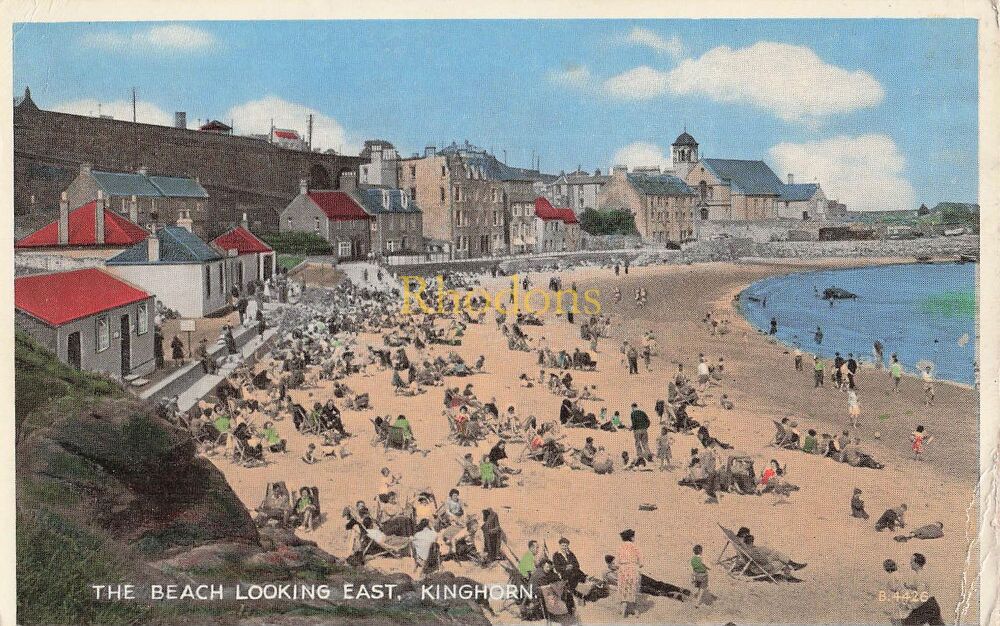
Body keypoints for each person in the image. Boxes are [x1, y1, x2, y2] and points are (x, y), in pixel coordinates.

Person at [899, 553, 944, 625]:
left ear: (917, 563)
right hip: (933, 605)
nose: (910, 563)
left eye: (911, 562)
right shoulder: (922, 574)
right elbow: (920, 586)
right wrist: (908, 586)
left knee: (908, 623)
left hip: (927, 607)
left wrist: (911, 606)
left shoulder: (919, 577)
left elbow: (922, 597)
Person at [552, 537, 586, 603]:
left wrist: (572, 566)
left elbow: (577, 564)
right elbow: (557, 568)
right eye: (563, 545)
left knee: (582, 577)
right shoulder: (556, 555)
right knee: (573, 578)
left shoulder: (570, 554)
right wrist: (565, 567)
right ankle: (577, 595)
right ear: (559, 545)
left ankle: (582, 594)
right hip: (564, 574)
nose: (564, 547)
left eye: (566, 546)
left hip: (574, 572)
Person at [617, 529, 641, 617]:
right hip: (632, 569)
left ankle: (623, 610)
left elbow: (617, 561)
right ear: (631, 537)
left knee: (624, 589)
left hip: (623, 570)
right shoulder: (635, 547)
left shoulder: (620, 547)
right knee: (633, 589)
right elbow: (640, 561)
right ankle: (635, 611)